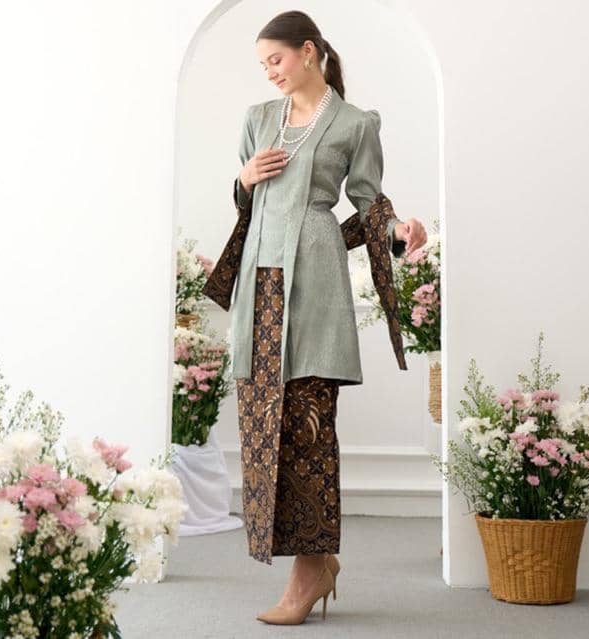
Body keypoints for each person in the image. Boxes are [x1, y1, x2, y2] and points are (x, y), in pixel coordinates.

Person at [228, 10, 427, 625]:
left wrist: (398, 232)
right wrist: (244, 179)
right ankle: (311, 561)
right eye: (263, 64)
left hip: (314, 280)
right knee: (262, 423)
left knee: (309, 423)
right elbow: (246, 204)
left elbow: (369, 204)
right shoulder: (258, 118)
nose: (270, 72)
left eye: (277, 59)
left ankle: (310, 570)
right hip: (260, 282)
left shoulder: (355, 124)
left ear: (308, 51)